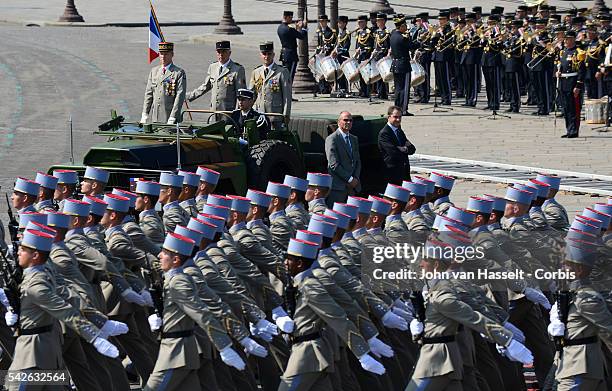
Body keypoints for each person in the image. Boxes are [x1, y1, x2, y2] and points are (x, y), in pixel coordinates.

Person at [187, 40, 246, 112]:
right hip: (213, 111)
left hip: (228, 112)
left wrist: (239, 112)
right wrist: (189, 96)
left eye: (224, 52)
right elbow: (205, 86)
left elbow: (240, 93)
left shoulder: (237, 69)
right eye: (219, 52)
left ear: (229, 53)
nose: (221, 55)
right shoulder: (213, 67)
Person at [141, 41, 186, 125]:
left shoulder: (178, 73)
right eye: (161, 54)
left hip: (170, 116)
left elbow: (179, 97)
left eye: (166, 54)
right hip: (156, 116)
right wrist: (145, 113)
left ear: (172, 54)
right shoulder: (154, 71)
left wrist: (173, 116)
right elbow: (149, 94)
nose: (163, 57)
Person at [249, 42, 292, 129]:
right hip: (259, 114)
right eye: (264, 54)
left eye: (269, 54)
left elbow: (287, 96)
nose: (266, 57)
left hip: (275, 115)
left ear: (273, 55)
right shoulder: (256, 72)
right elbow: (251, 94)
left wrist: (285, 115)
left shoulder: (282, 72)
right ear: (260, 55)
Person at [324, 111, 361, 206]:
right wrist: (349, 179)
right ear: (339, 122)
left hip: (352, 188)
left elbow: (357, 161)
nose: (348, 122)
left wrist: (355, 179)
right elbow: (333, 164)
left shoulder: (354, 139)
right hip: (338, 188)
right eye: (345, 120)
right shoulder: (332, 139)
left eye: (350, 120)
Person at [557, 30, 586, 138]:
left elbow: (582, 71)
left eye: (568, 39)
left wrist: (578, 86)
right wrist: (558, 72)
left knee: (574, 108)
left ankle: (574, 130)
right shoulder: (563, 52)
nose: (566, 41)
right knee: (566, 108)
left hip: (573, 82)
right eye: (565, 39)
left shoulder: (578, 52)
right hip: (564, 82)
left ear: (573, 39)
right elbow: (561, 65)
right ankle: (569, 129)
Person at [377, 106, 416, 185]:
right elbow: (393, 153)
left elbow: (412, 149)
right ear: (389, 117)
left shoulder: (398, 130)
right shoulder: (384, 133)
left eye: (400, 117)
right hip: (392, 174)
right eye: (395, 117)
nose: (398, 120)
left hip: (404, 172)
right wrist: (404, 149)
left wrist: (403, 149)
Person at [390, 16, 418, 115]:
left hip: (395, 64)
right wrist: (420, 40)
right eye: (405, 25)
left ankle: (397, 109)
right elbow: (412, 46)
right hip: (403, 65)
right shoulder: (402, 37)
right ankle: (403, 109)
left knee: (398, 88)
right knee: (404, 89)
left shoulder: (393, 35)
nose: (406, 27)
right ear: (401, 26)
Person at [277, 10, 307, 80]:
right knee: (290, 76)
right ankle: (288, 90)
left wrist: (296, 29)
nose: (291, 19)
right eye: (290, 17)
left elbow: (291, 36)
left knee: (285, 74)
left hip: (284, 54)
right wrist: (304, 27)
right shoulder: (289, 29)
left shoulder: (280, 27)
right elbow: (301, 36)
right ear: (286, 17)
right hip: (291, 55)